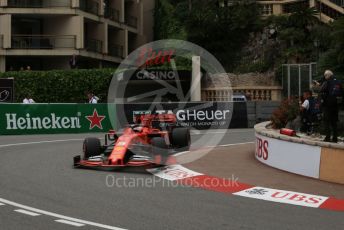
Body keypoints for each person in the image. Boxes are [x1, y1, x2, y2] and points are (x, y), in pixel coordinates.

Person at [320, 70, 342, 142]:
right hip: (335, 105)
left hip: (328, 105)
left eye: (325, 76)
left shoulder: (327, 82)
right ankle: (335, 138)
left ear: (327, 75)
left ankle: (327, 137)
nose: (325, 77)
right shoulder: (338, 82)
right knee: (334, 122)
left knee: (326, 121)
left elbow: (322, 90)